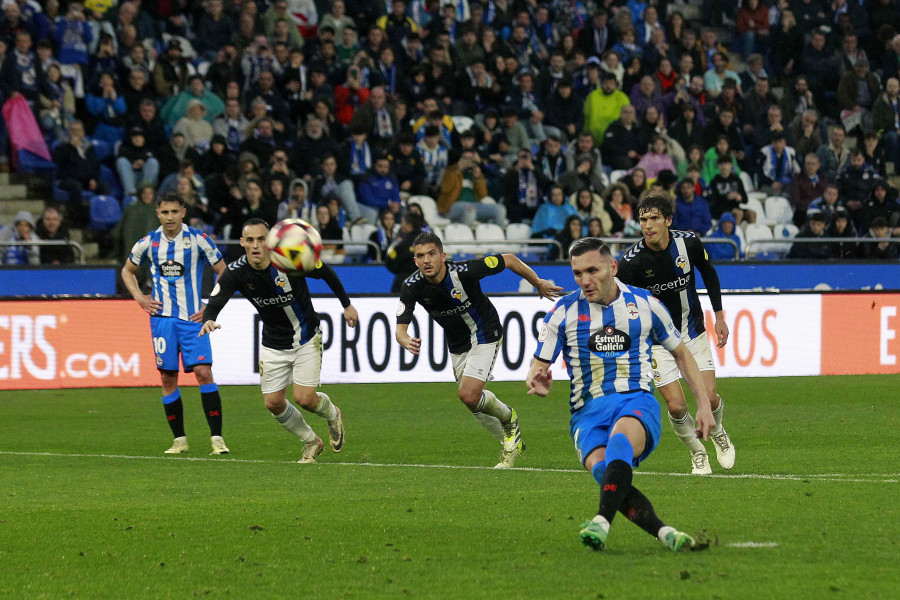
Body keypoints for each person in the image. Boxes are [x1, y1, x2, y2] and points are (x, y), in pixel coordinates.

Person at [526, 238, 713, 552]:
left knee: (619, 444)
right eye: (577, 273)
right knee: (609, 476)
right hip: (586, 414)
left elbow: (681, 353)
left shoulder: (645, 304)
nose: (585, 281)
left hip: (635, 401)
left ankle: (601, 521)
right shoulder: (563, 311)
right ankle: (667, 534)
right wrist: (536, 378)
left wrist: (704, 405)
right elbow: (537, 364)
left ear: (612, 267)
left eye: (592, 270)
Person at [395, 233, 562, 468]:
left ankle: (510, 422)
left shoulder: (465, 271)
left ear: (443, 256)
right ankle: (511, 436)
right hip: (457, 342)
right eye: (420, 256)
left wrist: (537, 283)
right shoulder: (411, 286)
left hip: (485, 331)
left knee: (468, 394)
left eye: (432, 254)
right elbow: (400, 328)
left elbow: (510, 259)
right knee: (471, 401)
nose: (426, 260)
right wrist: (404, 339)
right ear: (415, 261)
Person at [200, 218, 357, 463]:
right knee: (273, 403)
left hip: (306, 336)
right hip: (273, 343)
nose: (255, 245)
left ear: (270, 241)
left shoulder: (289, 261)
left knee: (304, 398)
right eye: (250, 240)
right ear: (241, 242)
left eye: (261, 239)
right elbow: (216, 300)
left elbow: (326, 271)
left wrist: (347, 305)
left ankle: (332, 414)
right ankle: (311, 441)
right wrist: (209, 318)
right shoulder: (236, 271)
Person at [616, 192, 734, 475]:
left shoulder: (689, 243)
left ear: (668, 220)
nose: (648, 225)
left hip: (692, 332)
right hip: (658, 343)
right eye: (643, 219)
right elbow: (622, 305)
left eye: (655, 218)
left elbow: (709, 273)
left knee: (710, 396)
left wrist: (719, 316)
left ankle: (718, 432)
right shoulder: (631, 263)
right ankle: (697, 453)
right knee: (677, 406)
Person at [121, 191, 229, 455]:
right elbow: (127, 271)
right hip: (162, 321)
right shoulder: (148, 242)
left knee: (204, 372)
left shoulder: (198, 239)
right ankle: (179, 440)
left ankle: (217, 438)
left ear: (183, 212)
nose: (170, 217)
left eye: (175, 211)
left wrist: (209, 306)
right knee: (168, 378)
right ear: (158, 213)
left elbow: (224, 272)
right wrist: (140, 298)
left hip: (194, 320)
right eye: (165, 212)